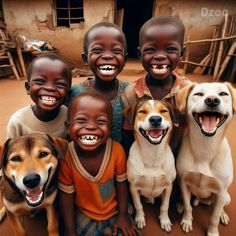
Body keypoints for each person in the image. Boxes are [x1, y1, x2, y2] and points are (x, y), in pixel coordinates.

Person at [58, 93, 137, 236]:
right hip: (84, 212)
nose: (91, 127)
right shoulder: (66, 155)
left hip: (114, 209)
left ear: (110, 128)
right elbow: (66, 195)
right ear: (68, 127)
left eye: (100, 122)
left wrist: (123, 214)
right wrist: (70, 229)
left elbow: (122, 184)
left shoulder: (117, 150)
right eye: (81, 120)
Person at [122, 16, 191, 155]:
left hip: (181, 162)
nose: (160, 56)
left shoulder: (190, 92)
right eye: (150, 50)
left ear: (182, 53)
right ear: (139, 54)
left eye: (170, 49)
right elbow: (129, 135)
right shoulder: (131, 93)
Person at [69, 22, 129, 144]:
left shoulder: (130, 92)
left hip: (120, 159)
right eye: (97, 50)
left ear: (125, 59)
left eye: (116, 51)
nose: (107, 56)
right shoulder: (75, 93)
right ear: (86, 59)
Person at [7, 53, 72, 139]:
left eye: (60, 84)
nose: (50, 88)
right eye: (40, 81)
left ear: (68, 93)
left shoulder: (69, 116)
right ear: (28, 88)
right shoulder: (18, 122)